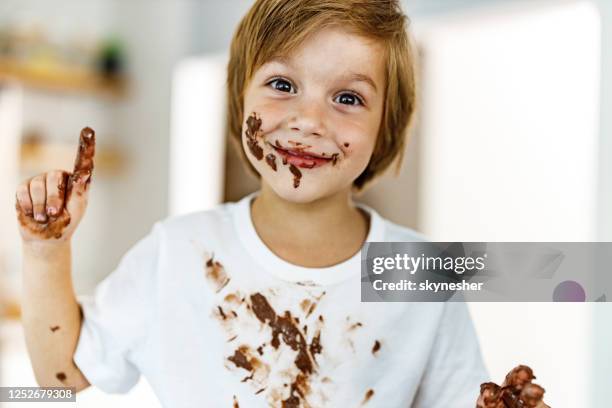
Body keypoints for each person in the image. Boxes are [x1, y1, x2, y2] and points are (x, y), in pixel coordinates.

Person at [16, 1, 489, 406]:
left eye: (347, 97)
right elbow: (60, 376)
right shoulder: (178, 252)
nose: (308, 120)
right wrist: (45, 251)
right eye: (283, 85)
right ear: (240, 95)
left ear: (386, 126)